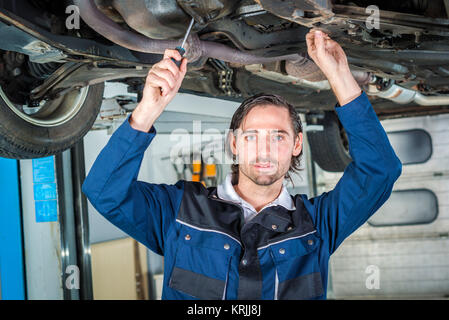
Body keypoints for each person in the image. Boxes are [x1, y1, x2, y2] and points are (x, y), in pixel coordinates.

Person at [82, 29, 402, 300]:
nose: (264, 149)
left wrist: (341, 77)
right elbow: (104, 191)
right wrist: (148, 109)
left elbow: (380, 171)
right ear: (235, 145)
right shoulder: (179, 211)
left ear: (296, 145)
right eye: (252, 137)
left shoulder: (319, 224)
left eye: (277, 137)